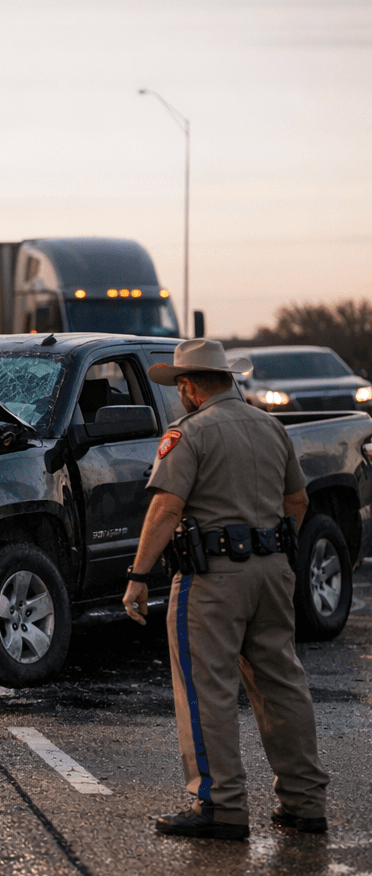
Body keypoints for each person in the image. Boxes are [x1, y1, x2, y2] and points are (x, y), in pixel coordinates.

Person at [122, 338, 329, 840]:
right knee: (282, 683)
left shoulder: (188, 433)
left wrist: (137, 577)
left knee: (206, 690)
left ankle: (220, 806)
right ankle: (304, 804)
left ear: (189, 387)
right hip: (274, 572)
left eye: (180, 387)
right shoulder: (270, 426)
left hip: (213, 578)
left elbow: (167, 508)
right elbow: (297, 501)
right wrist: (272, 549)